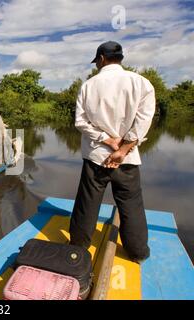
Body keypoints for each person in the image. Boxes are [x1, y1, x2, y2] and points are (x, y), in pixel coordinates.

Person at [69, 41, 156, 263]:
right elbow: (144, 119)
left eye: (97, 61)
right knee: (131, 205)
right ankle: (137, 254)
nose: (97, 65)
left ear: (101, 59)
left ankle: (78, 249)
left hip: (96, 157)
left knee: (87, 204)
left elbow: (80, 122)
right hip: (126, 159)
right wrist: (124, 147)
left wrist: (105, 139)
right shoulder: (141, 83)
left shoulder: (88, 85)